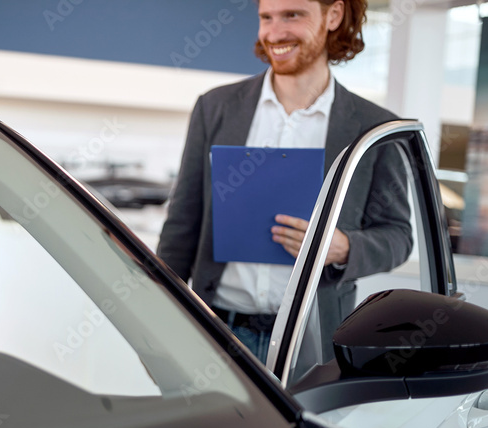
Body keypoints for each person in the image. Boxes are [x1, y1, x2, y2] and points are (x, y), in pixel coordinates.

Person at [157, 0, 412, 362]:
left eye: (293, 15)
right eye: (266, 18)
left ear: (333, 16)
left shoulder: (373, 128)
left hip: (312, 340)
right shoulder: (215, 108)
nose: (275, 33)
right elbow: (182, 225)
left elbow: (398, 236)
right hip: (216, 331)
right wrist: (156, 318)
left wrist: (344, 247)